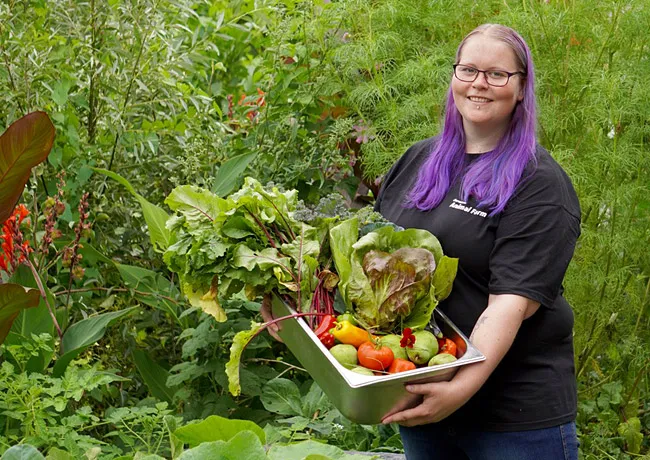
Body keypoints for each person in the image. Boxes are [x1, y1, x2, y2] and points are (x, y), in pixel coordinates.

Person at [373, 24, 581, 459]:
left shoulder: (539, 184)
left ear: (521, 88)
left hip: (513, 421)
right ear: (454, 78)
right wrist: (295, 315)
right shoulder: (418, 161)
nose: (479, 84)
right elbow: (369, 269)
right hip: (426, 396)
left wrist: (462, 387)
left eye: (497, 74)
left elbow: (510, 303)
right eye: (468, 70)